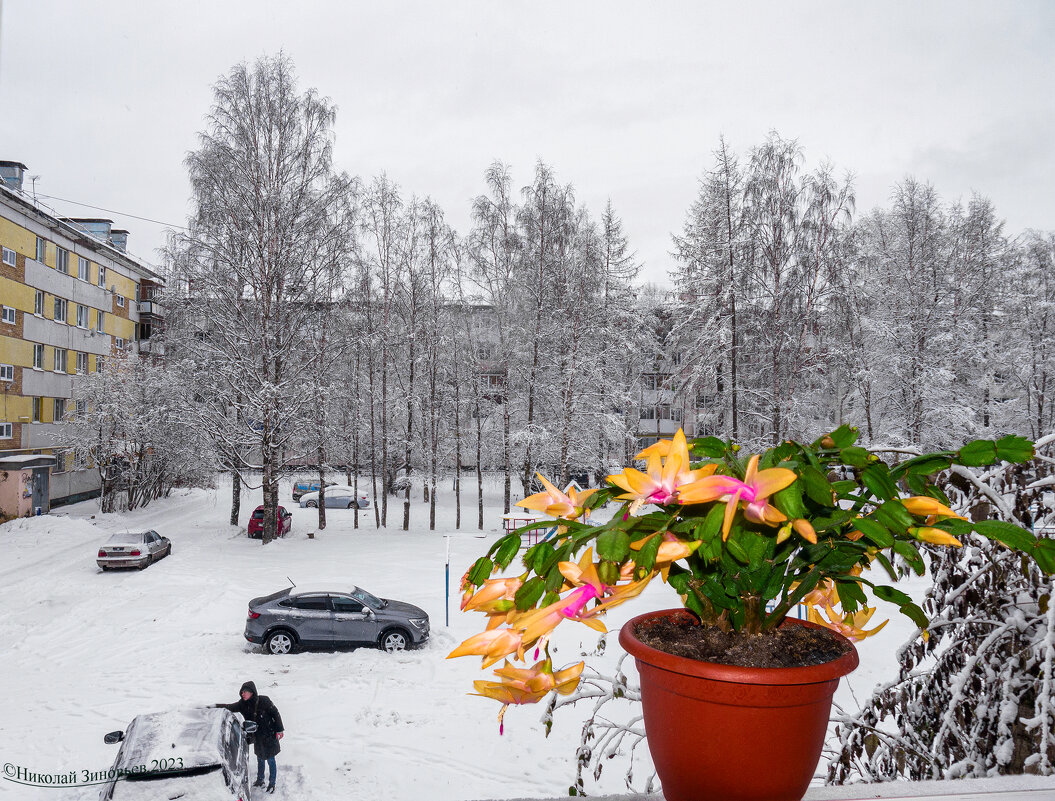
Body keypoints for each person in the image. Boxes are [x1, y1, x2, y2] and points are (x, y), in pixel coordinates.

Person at [217, 680, 284, 793]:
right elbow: (229, 707)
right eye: (242, 692)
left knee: (271, 760)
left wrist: (280, 729)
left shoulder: (264, 700)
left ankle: (272, 783)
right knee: (260, 758)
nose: (243, 694)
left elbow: (275, 713)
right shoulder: (242, 704)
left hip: (269, 735)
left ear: (252, 692)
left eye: (245, 692)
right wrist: (213, 706)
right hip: (257, 736)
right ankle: (260, 780)